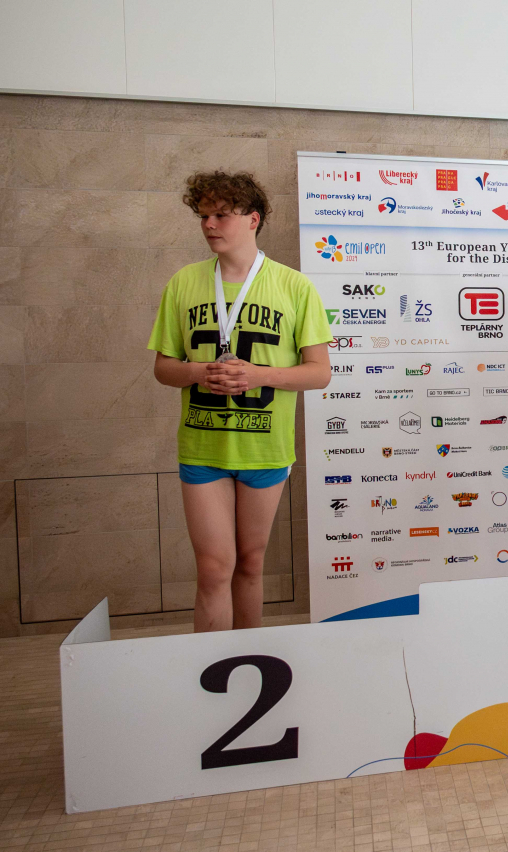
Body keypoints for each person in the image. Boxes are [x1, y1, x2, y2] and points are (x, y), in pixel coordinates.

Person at [148, 171, 333, 631]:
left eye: (221, 215)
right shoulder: (183, 283)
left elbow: (320, 372)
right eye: (203, 216)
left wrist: (257, 375)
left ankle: (248, 659)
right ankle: (211, 669)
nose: (209, 224)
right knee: (214, 568)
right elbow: (163, 367)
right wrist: (200, 372)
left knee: (250, 563)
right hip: (203, 447)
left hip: (264, 449)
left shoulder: (294, 286)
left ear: (253, 219)